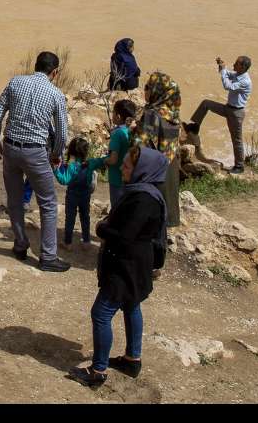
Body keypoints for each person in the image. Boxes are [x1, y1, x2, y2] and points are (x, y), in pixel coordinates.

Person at [70, 144, 168, 388]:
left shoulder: (142, 199)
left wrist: (102, 228)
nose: (122, 169)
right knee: (131, 304)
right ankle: (132, 360)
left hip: (125, 266)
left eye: (126, 166)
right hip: (137, 264)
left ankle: (98, 370)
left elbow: (125, 236)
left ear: (141, 170)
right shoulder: (147, 192)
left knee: (101, 314)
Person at [0, 51, 71, 272]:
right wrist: (56, 154)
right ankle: (47, 257)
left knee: (15, 200)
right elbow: (62, 133)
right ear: (54, 72)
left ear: (35, 66)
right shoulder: (55, 94)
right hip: (36, 152)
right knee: (47, 204)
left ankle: (20, 244)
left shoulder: (16, 82)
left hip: (11, 148)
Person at [182, 55, 253, 174]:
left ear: (243, 67)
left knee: (237, 140)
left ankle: (239, 166)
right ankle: (194, 127)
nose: (234, 64)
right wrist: (221, 66)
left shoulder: (245, 81)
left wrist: (224, 70)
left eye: (236, 63)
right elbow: (229, 74)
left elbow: (228, 86)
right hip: (228, 108)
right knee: (206, 103)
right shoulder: (238, 74)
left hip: (236, 113)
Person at [138, 70, 183, 226]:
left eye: (147, 87)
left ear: (156, 91)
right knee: (167, 210)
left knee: (151, 217)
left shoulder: (151, 114)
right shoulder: (172, 114)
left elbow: (140, 147)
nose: (145, 91)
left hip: (154, 171)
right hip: (170, 168)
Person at [90, 99, 138, 211]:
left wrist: (102, 162)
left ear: (118, 116)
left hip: (117, 178)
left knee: (118, 210)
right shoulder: (133, 131)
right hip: (132, 178)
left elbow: (113, 159)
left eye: (113, 112)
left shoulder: (118, 134)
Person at [54, 137, 96, 247]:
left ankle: (68, 242)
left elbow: (64, 180)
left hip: (72, 195)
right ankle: (86, 241)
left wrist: (56, 170)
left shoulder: (72, 167)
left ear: (72, 151)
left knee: (70, 218)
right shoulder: (89, 164)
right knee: (85, 216)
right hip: (85, 195)